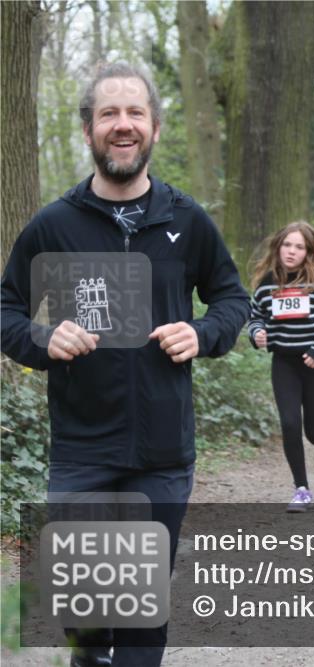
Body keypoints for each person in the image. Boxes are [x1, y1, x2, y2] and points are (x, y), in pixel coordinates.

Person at [0, 62, 249, 667]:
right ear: (88, 129)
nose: (123, 124)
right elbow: (6, 307)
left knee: (140, 619)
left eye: (135, 112)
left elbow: (232, 298)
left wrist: (204, 330)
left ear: (155, 128)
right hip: (83, 451)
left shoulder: (185, 220)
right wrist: (41, 337)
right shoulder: (55, 225)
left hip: (162, 454)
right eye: (108, 113)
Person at [247, 221, 314, 512]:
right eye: (287, 245)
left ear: (307, 252)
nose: (291, 252)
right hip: (285, 363)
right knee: (289, 423)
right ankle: (301, 489)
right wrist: (256, 333)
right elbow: (254, 317)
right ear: (278, 247)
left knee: (312, 431)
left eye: (299, 247)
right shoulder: (268, 284)